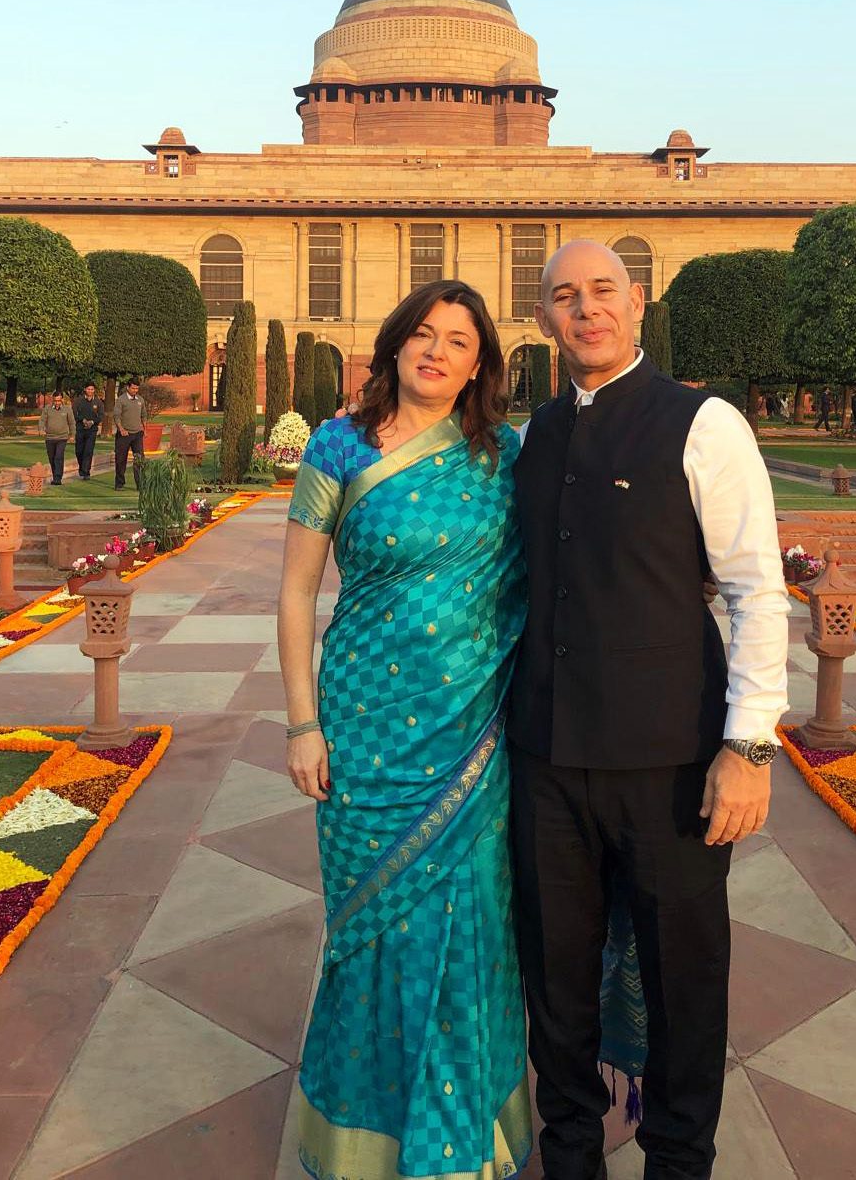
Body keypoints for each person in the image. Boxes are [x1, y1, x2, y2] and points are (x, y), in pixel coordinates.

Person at [509, 240, 789, 1180]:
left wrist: (748, 746)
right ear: (545, 318)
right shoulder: (539, 431)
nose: (585, 310)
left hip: (670, 761)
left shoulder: (702, 423)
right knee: (557, 983)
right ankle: (573, 1158)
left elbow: (757, 588)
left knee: (683, 980)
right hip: (548, 757)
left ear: (635, 305)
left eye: (601, 292)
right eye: (563, 297)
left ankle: (678, 1160)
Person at [280, 280, 540, 1180]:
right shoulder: (338, 444)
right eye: (422, 335)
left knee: (472, 929)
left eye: (459, 341)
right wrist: (302, 725)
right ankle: (362, 1142)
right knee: (368, 933)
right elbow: (294, 593)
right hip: (361, 729)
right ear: (393, 346)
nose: (436, 351)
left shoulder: (504, 456)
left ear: (481, 365)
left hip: (473, 736)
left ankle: (464, 1144)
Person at [113, 378, 146, 489]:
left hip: (137, 434)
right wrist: (121, 429)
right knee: (121, 460)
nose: (135, 390)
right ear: (128, 387)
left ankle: (140, 484)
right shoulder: (121, 400)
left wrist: (144, 428)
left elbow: (144, 415)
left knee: (139, 460)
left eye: (137, 388)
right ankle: (119, 483)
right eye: (133, 388)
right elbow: (117, 416)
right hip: (124, 435)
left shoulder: (140, 400)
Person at [37, 390, 75, 486]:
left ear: (62, 399)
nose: (57, 403)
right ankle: (55, 476)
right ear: (52, 400)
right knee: (52, 458)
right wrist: (41, 429)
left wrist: (72, 435)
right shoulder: (47, 409)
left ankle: (58, 478)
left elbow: (71, 423)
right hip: (49, 438)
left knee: (58, 457)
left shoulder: (67, 409)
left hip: (62, 438)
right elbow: (42, 420)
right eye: (55, 401)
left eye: (58, 400)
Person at [73, 380, 104, 480]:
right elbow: (74, 414)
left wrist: (92, 422)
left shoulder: (98, 402)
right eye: (88, 389)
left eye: (92, 389)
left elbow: (101, 416)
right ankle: (82, 468)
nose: (90, 391)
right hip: (80, 429)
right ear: (85, 389)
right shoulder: (78, 401)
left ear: (94, 390)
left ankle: (86, 472)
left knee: (88, 450)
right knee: (79, 451)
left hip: (92, 430)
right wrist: (82, 420)